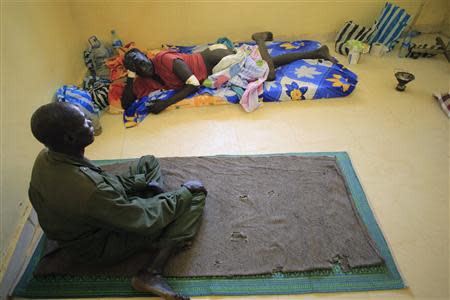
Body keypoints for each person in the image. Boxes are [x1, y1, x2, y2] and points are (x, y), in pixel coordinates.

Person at [29, 102, 207, 300]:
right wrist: (182, 193)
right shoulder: (88, 189)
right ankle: (152, 272)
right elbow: (141, 218)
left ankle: (158, 206)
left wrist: (143, 184)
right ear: (70, 138)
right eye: (85, 123)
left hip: (91, 216)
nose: (90, 122)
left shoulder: (46, 156)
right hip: (100, 245)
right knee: (195, 194)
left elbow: (102, 184)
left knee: (148, 162)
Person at [121, 31, 338, 113]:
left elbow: (194, 84)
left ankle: (259, 40)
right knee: (267, 64)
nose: (143, 68)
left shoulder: (164, 59)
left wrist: (164, 104)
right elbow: (125, 103)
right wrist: (131, 77)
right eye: (137, 68)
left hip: (218, 59)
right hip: (216, 70)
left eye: (142, 62)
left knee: (268, 74)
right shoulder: (145, 77)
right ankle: (316, 52)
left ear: (147, 56)